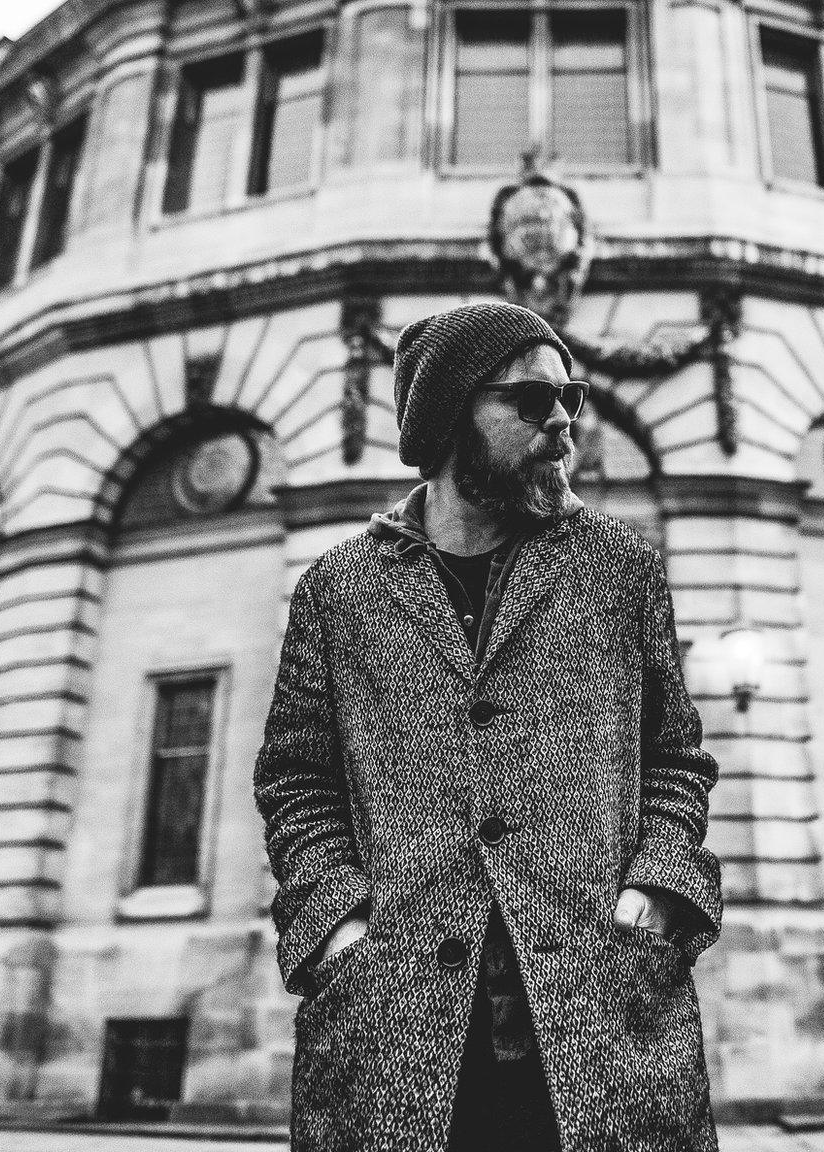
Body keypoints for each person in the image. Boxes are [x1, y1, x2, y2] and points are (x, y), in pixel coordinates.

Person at [253, 301, 724, 1152]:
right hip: (400, 1024)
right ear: (447, 417)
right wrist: (336, 929)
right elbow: (297, 780)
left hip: (598, 1013)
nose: (562, 421)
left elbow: (675, 758)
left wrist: (656, 892)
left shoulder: (618, 568)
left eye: (571, 399)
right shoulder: (339, 590)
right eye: (531, 401)